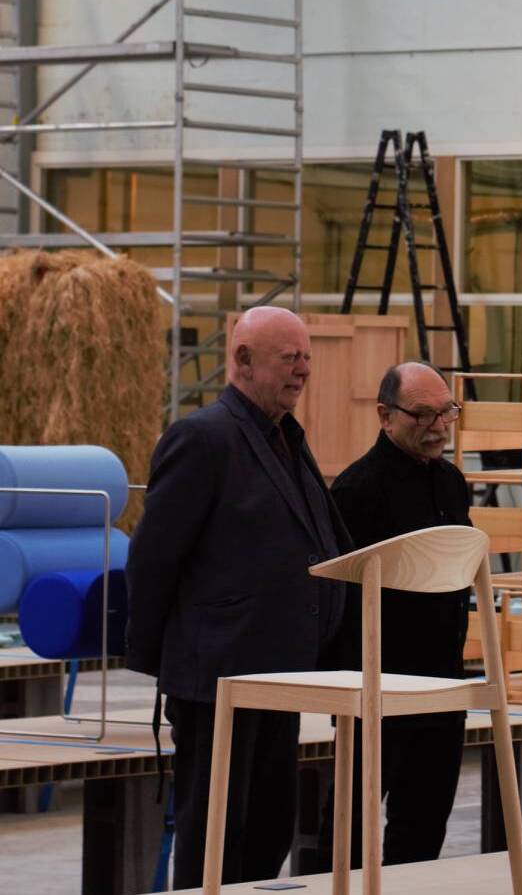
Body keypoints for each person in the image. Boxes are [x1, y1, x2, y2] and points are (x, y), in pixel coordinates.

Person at [125, 306, 345, 889]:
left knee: (269, 830)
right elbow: (153, 557)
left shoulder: (285, 438)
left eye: (306, 357)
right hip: (217, 678)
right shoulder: (202, 438)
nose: (303, 369)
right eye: (289, 358)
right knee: (215, 837)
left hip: (278, 673)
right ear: (243, 360)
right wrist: (165, 662)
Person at [316, 362, 473, 869]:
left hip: (442, 680)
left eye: (447, 412)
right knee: (349, 826)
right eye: (423, 414)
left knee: (424, 824)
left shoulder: (452, 482)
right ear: (385, 416)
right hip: (378, 683)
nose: (438, 426)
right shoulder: (357, 489)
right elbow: (340, 598)